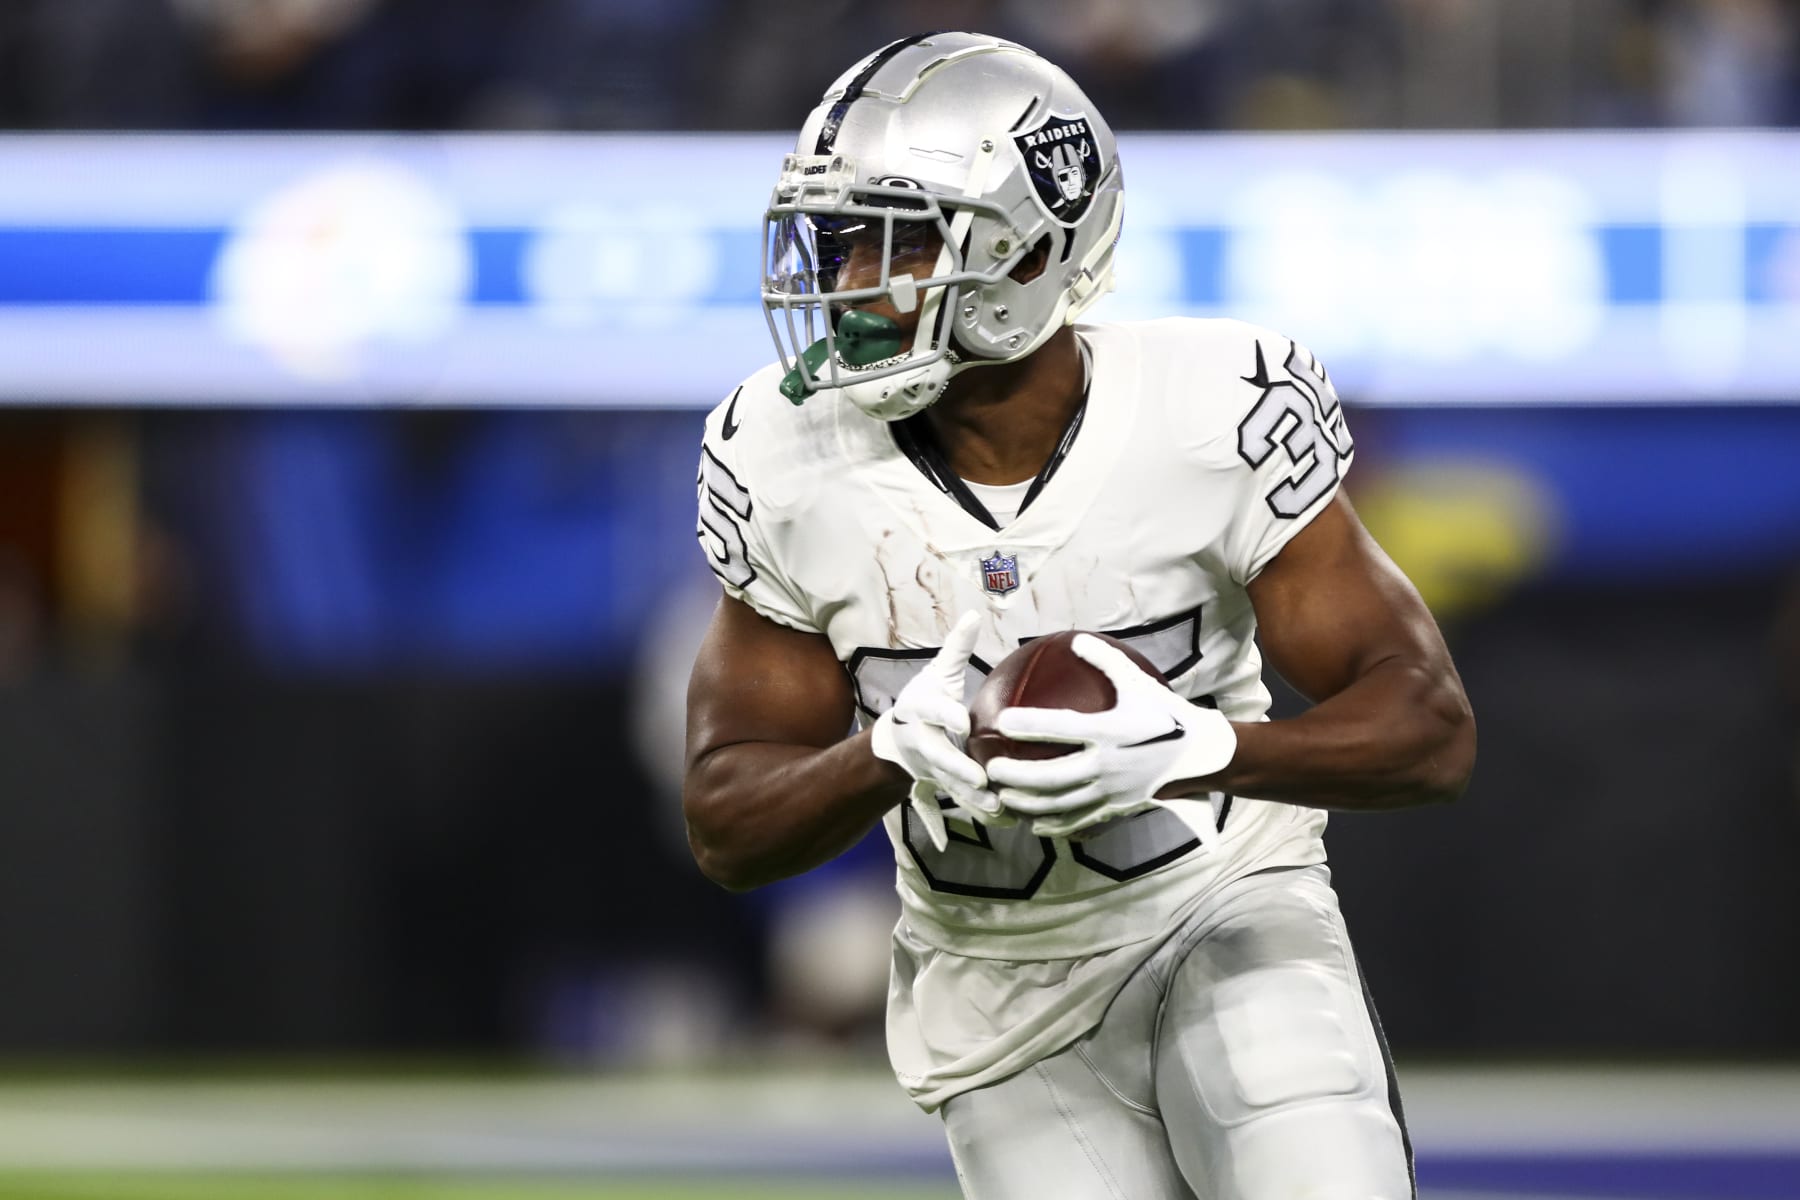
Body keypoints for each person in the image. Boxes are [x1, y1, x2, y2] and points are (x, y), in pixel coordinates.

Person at [684, 30, 1474, 1200]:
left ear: (1022, 255)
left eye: (892, 244)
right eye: (840, 241)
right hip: (998, 989)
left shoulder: (1209, 409)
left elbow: (1429, 730)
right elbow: (728, 823)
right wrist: (881, 756)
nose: (846, 283)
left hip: (1227, 916)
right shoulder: (784, 453)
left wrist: (1201, 749)